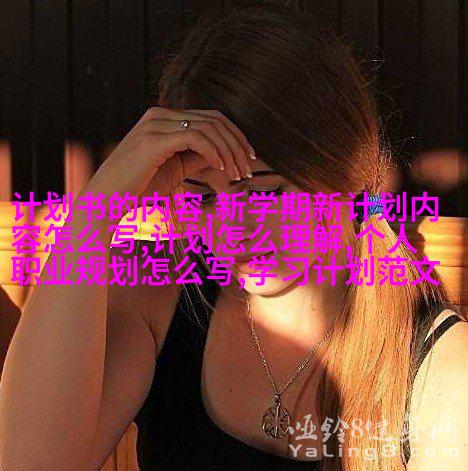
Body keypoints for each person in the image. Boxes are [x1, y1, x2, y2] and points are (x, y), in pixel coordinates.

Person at [1, 4, 467, 471]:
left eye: (264, 191)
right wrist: (94, 211)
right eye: (202, 195)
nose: (232, 228)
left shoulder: (440, 370)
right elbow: (29, 462)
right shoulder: (156, 294)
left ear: (346, 173)